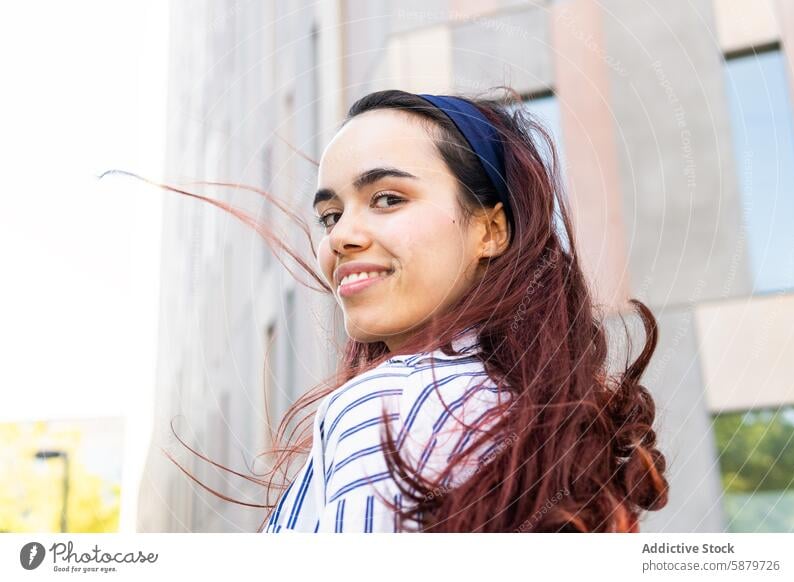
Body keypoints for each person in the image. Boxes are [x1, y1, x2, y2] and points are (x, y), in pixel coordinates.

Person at [129, 88, 668, 532]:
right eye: (330, 215)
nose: (341, 237)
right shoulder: (522, 411)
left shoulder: (385, 406)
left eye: (388, 198)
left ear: (490, 229)